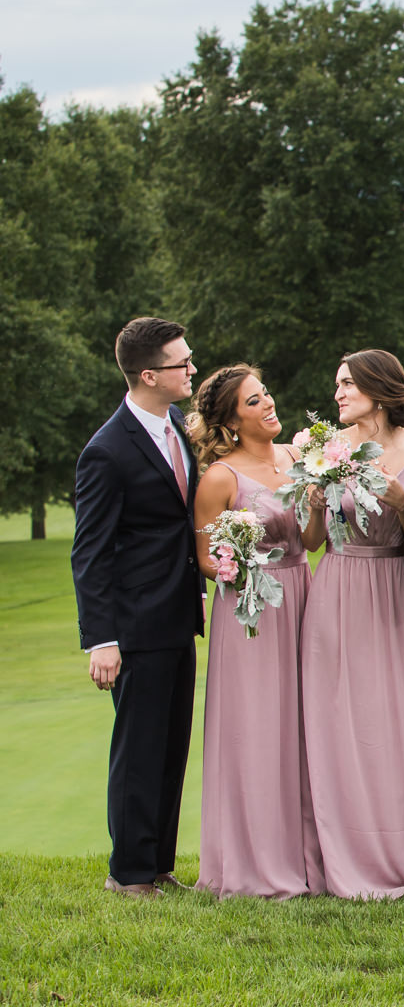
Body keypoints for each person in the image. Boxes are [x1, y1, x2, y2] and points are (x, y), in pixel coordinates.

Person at [299, 350, 404, 898]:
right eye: (337, 384)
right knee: (339, 722)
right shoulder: (320, 448)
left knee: (397, 720)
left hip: (394, 585)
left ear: (380, 389)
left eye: (348, 384)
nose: (339, 394)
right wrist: (317, 504)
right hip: (337, 588)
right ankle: (346, 856)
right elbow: (311, 543)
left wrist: (402, 501)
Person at [71, 317, 206, 898]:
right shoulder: (105, 451)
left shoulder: (177, 424)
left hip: (180, 616)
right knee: (139, 748)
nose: (192, 369)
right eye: (182, 363)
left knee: (173, 743)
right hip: (135, 625)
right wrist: (101, 639)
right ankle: (127, 873)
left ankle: (158, 866)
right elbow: (90, 553)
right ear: (149, 374)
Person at [189, 365, 325, 898]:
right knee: (259, 727)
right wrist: (242, 566)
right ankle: (255, 858)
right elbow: (204, 558)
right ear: (230, 420)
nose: (267, 403)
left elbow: (311, 542)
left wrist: (315, 510)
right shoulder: (220, 478)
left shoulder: (295, 459)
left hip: (303, 595)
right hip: (251, 613)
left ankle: (311, 855)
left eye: (265, 393)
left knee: (306, 723)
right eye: (253, 401)